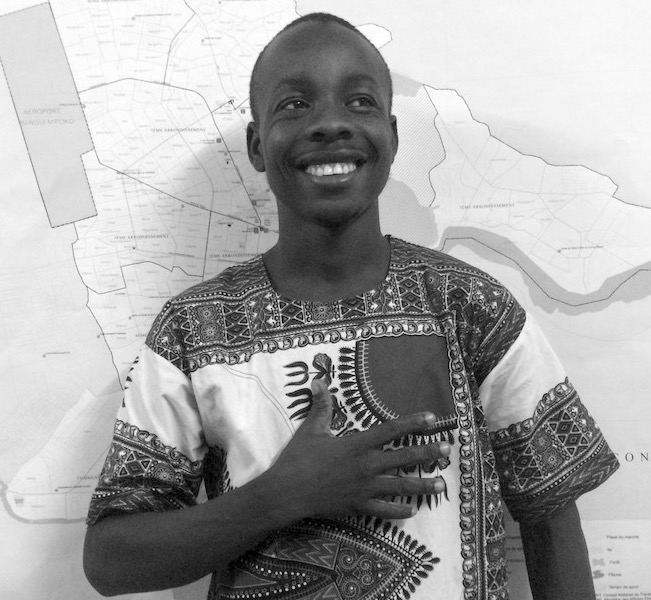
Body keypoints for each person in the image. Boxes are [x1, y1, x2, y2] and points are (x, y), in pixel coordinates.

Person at [83, 12, 619, 600]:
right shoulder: (193, 331)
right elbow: (111, 561)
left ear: (392, 134)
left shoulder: (471, 307)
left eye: (360, 102)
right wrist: (282, 495)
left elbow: (551, 520)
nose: (330, 123)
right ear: (257, 145)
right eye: (294, 105)